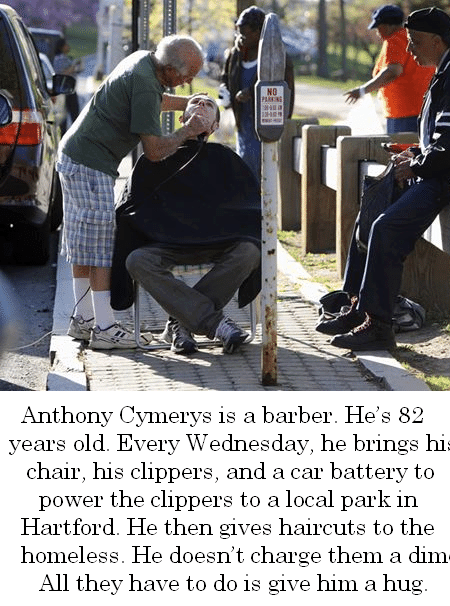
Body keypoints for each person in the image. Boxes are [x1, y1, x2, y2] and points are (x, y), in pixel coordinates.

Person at [316, 7, 450, 351]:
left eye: (415, 42)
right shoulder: (446, 68)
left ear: (437, 40)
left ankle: (378, 325)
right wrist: (414, 154)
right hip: (437, 173)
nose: (410, 49)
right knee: (371, 210)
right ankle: (358, 304)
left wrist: (417, 165)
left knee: (386, 229)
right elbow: (441, 139)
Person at [56, 35, 209, 350]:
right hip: (90, 163)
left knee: (83, 241)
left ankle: (84, 319)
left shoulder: (144, 61)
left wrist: (191, 105)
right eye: (187, 76)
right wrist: (187, 131)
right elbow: (153, 151)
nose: (189, 81)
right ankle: (105, 327)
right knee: (99, 246)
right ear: (168, 68)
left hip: (75, 156)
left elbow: (156, 100)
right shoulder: (144, 83)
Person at [111, 94, 261, 355]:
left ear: (214, 126)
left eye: (209, 104)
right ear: (182, 118)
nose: (202, 105)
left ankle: (181, 323)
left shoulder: (227, 160)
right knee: (136, 260)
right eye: (196, 102)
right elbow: (130, 206)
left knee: (250, 251)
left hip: (218, 242)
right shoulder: (155, 157)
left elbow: (249, 207)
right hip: (166, 243)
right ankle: (214, 323)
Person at [219, 5, 295, 181]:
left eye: (244, 33)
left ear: (259, 32)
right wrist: (225, 91)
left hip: (266, 126)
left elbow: (284, 92)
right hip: (243, 125)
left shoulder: (277, 58)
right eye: (238, 32)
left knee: (265, 173)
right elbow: (226, 76)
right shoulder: (235, 55)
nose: (240, 38)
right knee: (244, 170)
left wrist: (252, 93)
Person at [344, 5, 435, 134]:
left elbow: (393, 71)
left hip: (403, 112)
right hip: (423, 107)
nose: (377, 32)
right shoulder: (415, 37)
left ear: (387, 26)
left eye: (378, 27)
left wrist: (362, 90)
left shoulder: (395, 40)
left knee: (402, 151)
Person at [53, 38, 82, 134]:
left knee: (68, 114)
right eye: (66, 45)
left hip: (68, 89)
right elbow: (62, 73)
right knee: (70, 114)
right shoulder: (60, 59)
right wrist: (73, 67)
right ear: (62, 47)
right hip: (66, 89)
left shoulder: (65, 58)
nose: (68, 47)